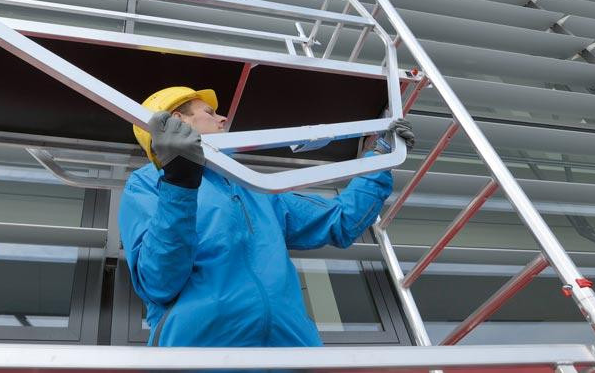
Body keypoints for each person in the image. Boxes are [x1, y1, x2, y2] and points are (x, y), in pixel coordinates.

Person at [118, 86, 412, 347]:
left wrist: (383, 154)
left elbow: (340, 220)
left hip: (291, 354)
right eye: (209, 112)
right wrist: (180, 184)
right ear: (178, 121)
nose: (222, 118)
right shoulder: (148, 184)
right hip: (202, 355)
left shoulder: (250, 186)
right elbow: (159, 281)